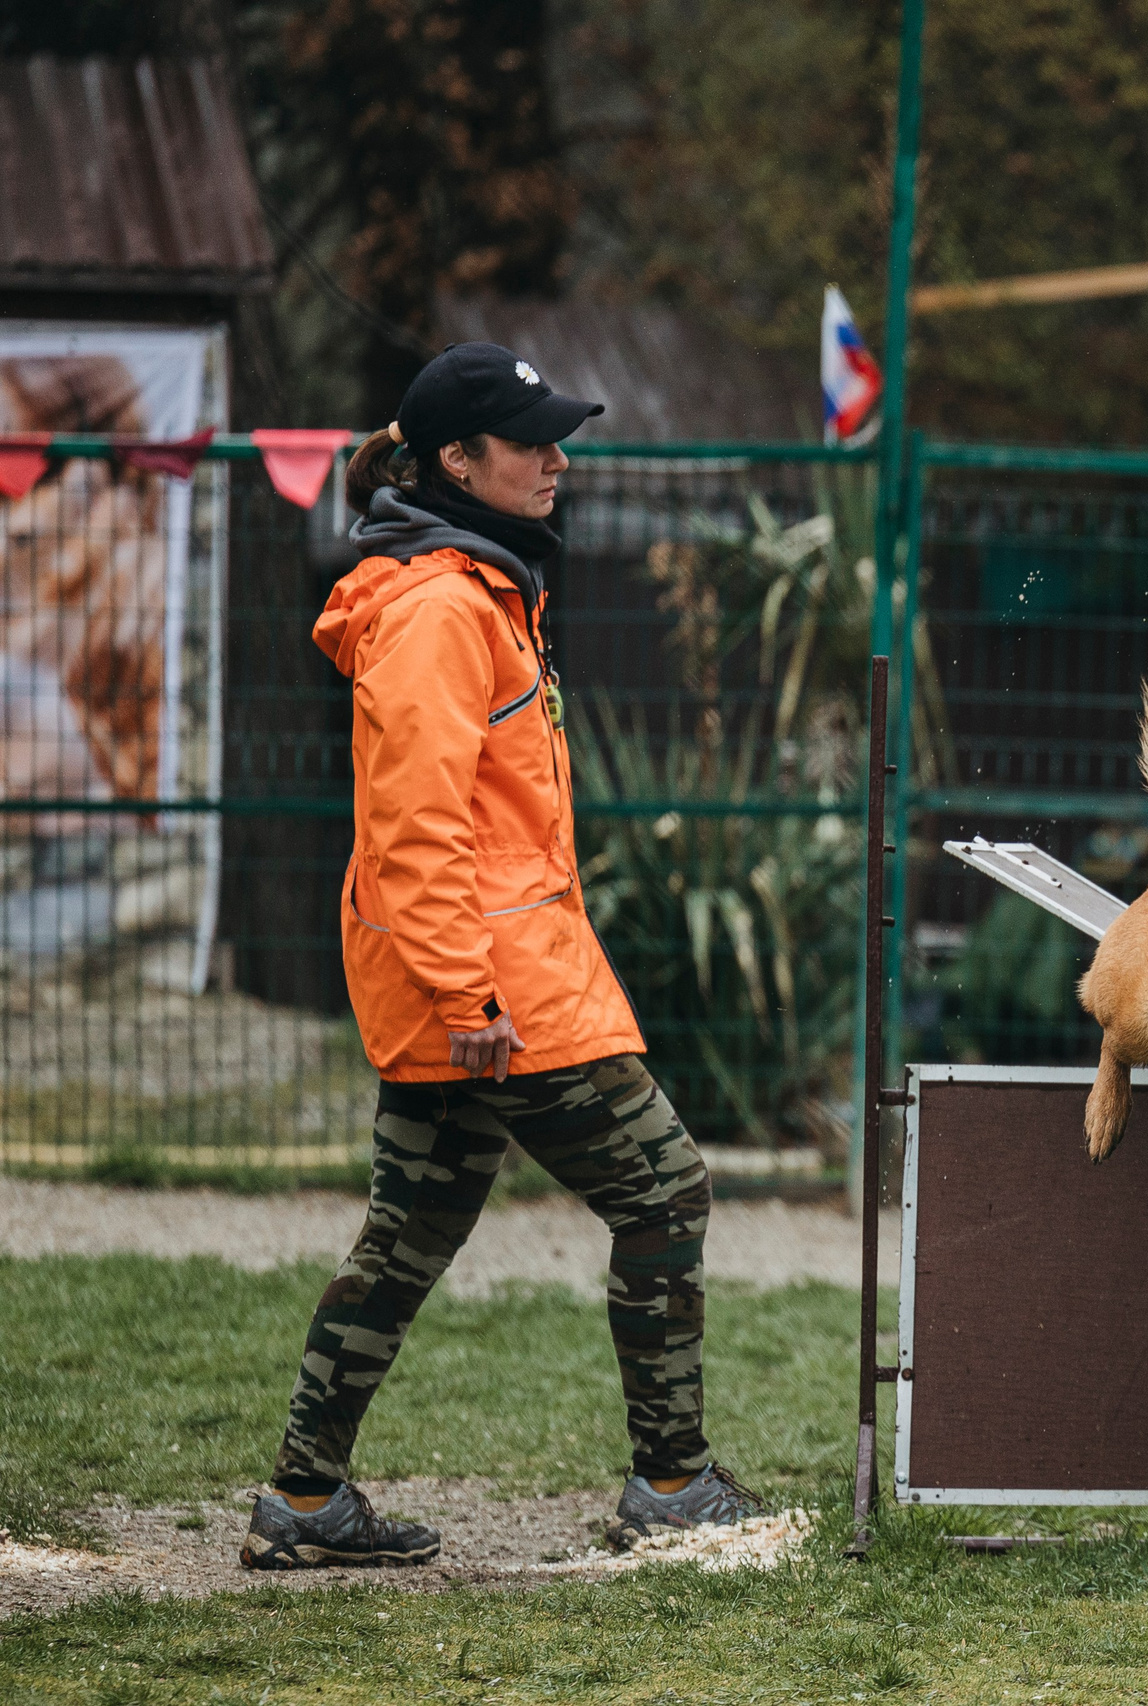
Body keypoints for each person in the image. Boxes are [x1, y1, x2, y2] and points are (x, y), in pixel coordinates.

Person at [241, 343, 762, 1570]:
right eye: (531, 443)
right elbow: (412, 826)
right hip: (494, 990)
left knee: (409, 1233)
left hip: (476, 979)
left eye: (555, 437)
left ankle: (305, 1500)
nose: (557, 460)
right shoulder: (434, 610)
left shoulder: (477, 591)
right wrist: (462, 986)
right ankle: (672, 1478)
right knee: (666, 1186)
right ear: (456, 461)